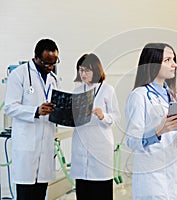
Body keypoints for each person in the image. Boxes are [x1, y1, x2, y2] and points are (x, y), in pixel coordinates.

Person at [125, 43, 177, 199]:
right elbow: (131, 140)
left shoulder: (173, 96)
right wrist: (159, 130)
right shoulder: (139, 96)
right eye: (168, 60)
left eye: (173, 59)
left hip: (173, 172)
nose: (174, 65)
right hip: (151, 175)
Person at [4, 38, 60, 200]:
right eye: (46, 63)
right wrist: (35, 111)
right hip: (27, 145)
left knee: (41, 192)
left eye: (54, 63)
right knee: (26, 193)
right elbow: (9, 106)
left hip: (45, 144)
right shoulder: (19, 75)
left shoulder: (53, 79)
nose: (50, 67)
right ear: (36, 57)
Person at [70, 53, 121, 200]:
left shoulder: (107, 89)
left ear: (96, 70)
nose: (83, 74)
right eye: (80, 70)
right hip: (80, 143)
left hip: (100, 145)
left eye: (87, 70)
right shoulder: (77, 91)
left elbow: (116, 116)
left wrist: (103, 115)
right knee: (82, 188)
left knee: (100, 189)